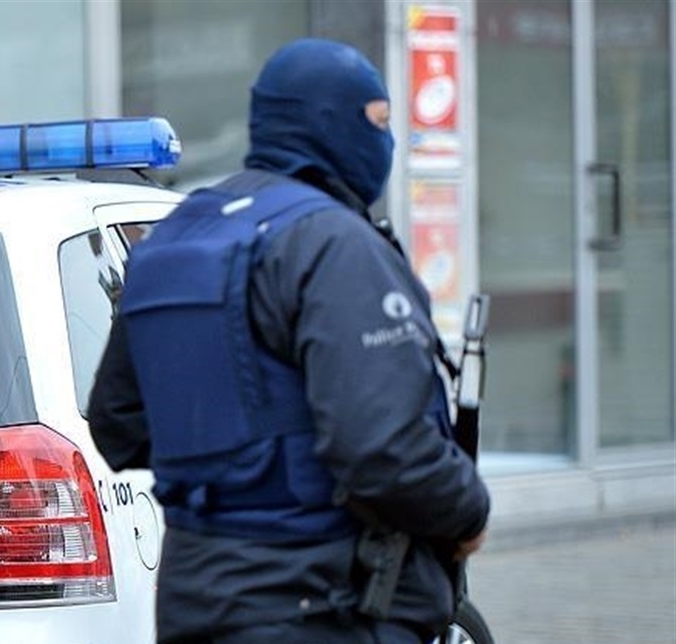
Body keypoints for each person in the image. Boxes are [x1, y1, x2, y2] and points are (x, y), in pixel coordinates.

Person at [87, 38, 489, 644]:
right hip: (323, 603)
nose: (386, 141)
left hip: (194, 596)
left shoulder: (173, 237)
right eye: (379, 120)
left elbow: (118, 423)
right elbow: (385, 449)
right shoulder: (332, 243)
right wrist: (467, 511)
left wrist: (234, 470)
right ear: (330, 122)